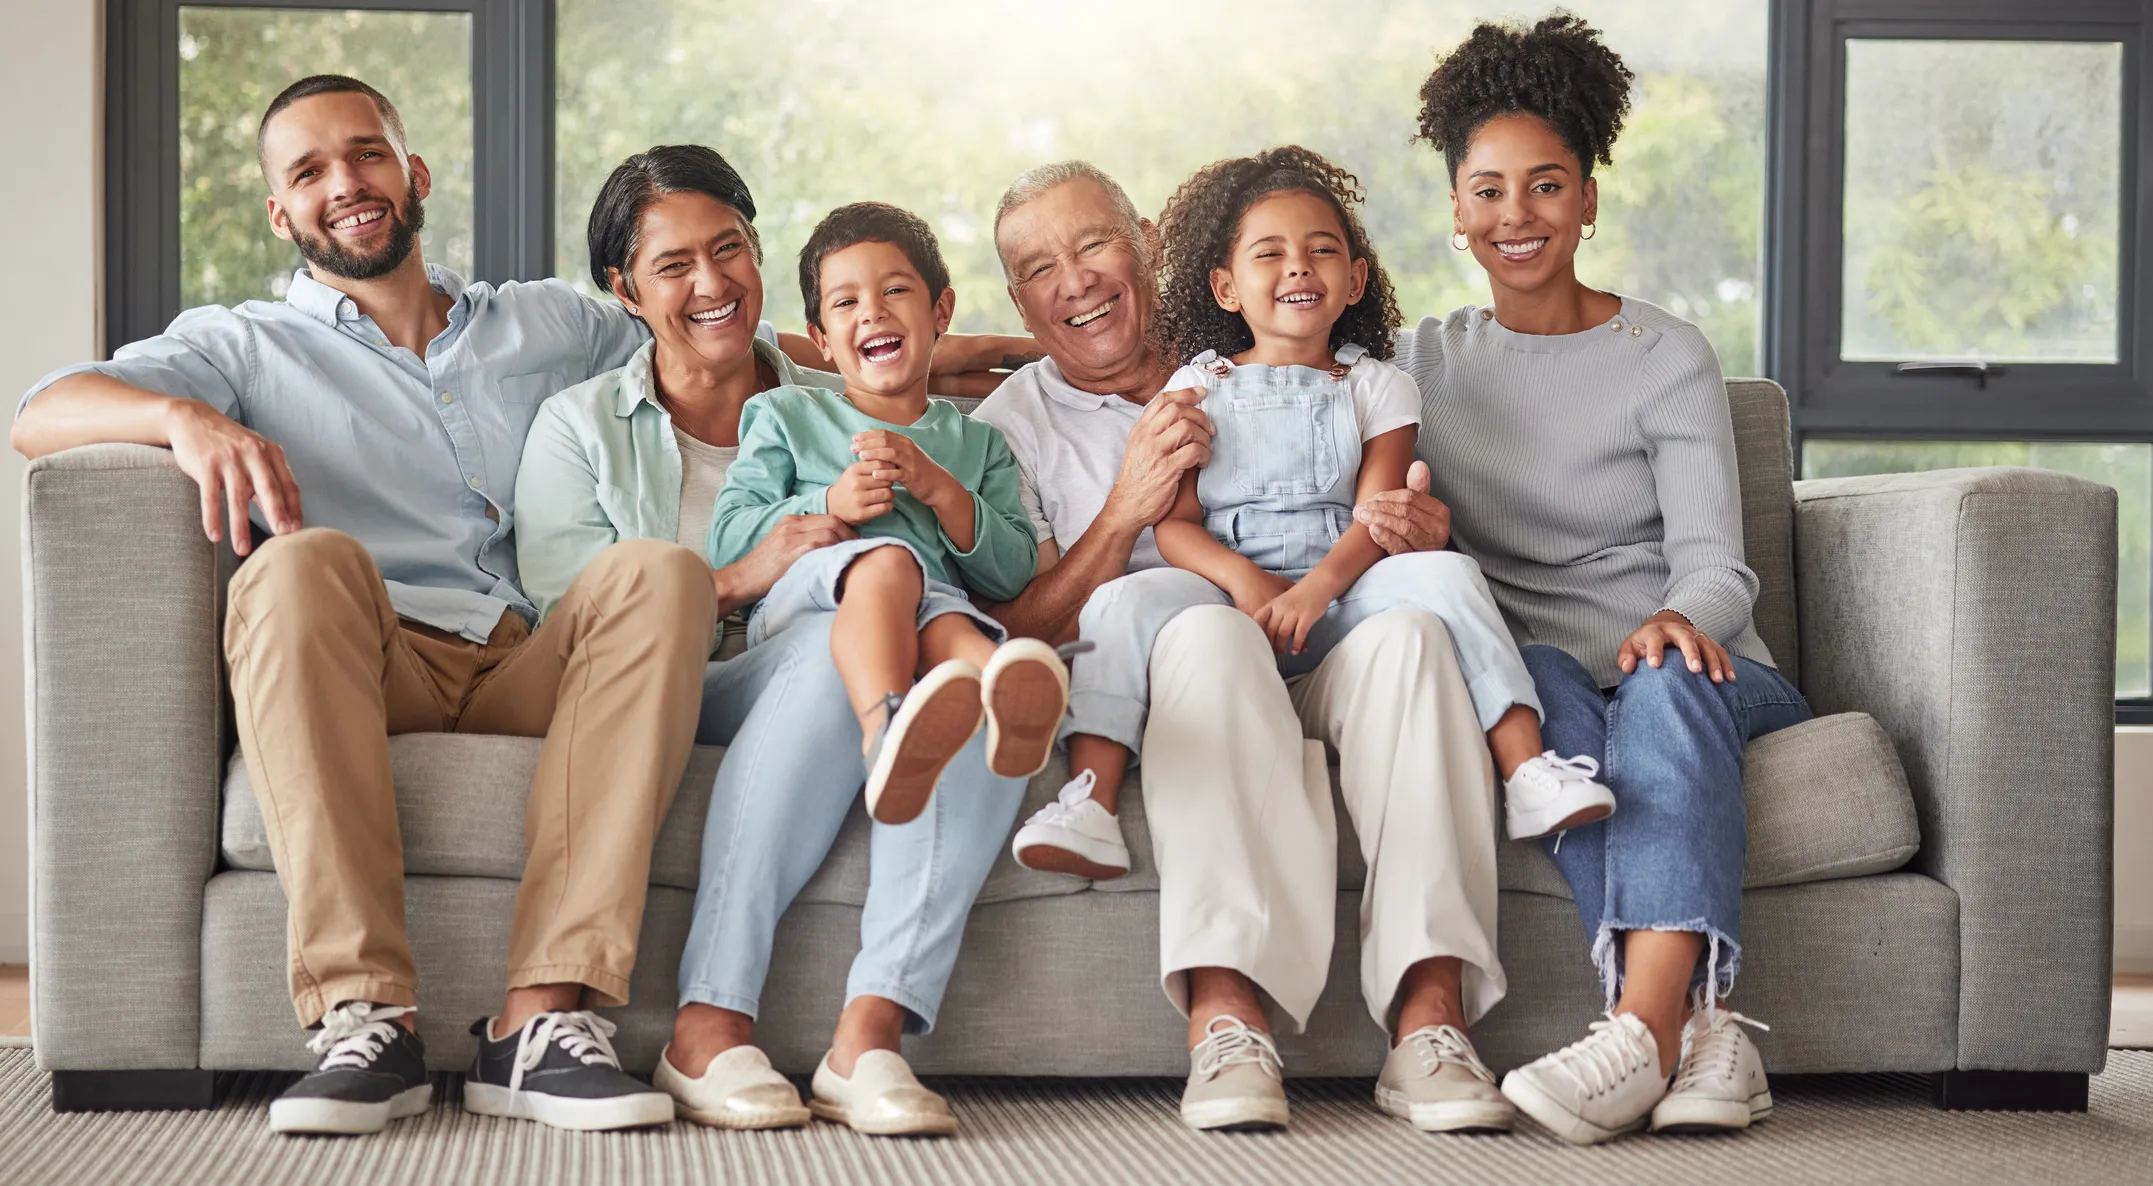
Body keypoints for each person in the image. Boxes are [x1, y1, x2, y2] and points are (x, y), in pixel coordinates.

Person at [12, 75, 713, 1136]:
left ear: (412, 171)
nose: (344, 182)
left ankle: (538, 1023)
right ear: (280, 213)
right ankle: (365, 1019)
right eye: (309, 171)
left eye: (365, 153)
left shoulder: (549, 321)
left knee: (660, 572)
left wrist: (931, 359)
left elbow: (710, 342)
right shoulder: (243, 345)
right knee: (296, 564)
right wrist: (184, 418)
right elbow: (40, 411)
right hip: (371, 661)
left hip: (529, 659)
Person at [974, 161, 1511, 1135]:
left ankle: (1429, 1022)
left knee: (1412, 639)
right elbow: (1017, 631)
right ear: (1019, 300)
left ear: (1147, 242)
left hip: (1333, 633)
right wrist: (1123, 514)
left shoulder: (1274, 336)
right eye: (1039, 269)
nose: (1075, 282)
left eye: (1093, 245)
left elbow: (1381, 492)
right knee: (1204, 636)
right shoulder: (1008, 427)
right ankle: (1225, 1019)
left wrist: (1413, 529)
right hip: (1196, 661)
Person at [514, 163, 1034, 1138]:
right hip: (659, 688)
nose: (711, 283)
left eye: (728, 251)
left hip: (845, 648)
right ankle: (706, 1027)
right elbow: (575, 628)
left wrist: (1033, 348)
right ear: (624, 291)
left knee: (974, 690)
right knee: (837, 652)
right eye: (673, 266)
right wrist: (741, 574)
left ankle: (867, 1041)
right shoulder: (580, 427)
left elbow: (908, 356)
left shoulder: (840, 397)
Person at [1404, 14, 1813, 1145]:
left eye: (1545, 186)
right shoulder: (1419, 362)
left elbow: (1716, 564)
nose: (1515, 215)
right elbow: (1247, 355)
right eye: (1487, 190)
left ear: (1586, 199)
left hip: (1704, 669)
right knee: (1536, 705)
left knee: (1664, 684)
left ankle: (1638, 1029)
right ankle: (1705, 1029)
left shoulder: (1663, 353)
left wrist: (1676, 618)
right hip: (1546, 674)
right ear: (1455, 211)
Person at [1028, 146, 1614, 888]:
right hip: (1226, 598)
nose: (1298, 268)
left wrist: (1314, 591)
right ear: (1226, 287)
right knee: (1116, 602)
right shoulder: (1197, 384)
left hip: (1341, 593)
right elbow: (1173, 526)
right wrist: (1243, 581)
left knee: (1448, 575)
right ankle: (1090, 801)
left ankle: (1527, 769)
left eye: (1321, 251)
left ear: (1355, 279)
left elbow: (1377, 517)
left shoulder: (1378, 386)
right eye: (1269, 254)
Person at [710, 201, 1069, 823]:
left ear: (941, 312)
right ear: (821, 340)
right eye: (846, 302)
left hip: (926, 608)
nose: (872, 311)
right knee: (889, 566)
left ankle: (1015, 707)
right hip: (808, 609)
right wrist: (827, 503)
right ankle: (885, 735)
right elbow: (727, 541)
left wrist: (944, 492)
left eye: (895, 290)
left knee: (949, 623)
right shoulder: (787, 414)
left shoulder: (980, 442)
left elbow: (1012, 572)